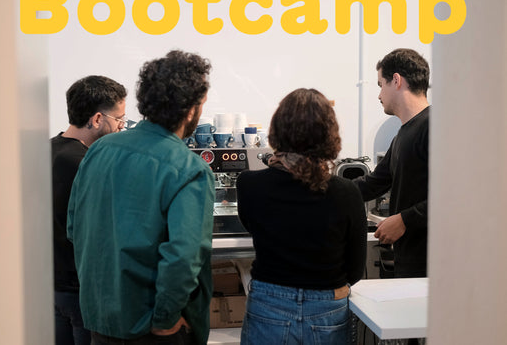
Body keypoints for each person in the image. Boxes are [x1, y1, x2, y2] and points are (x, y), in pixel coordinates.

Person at [67, 50, 214, 345]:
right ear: (191, 110)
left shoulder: (99, 150)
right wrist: (165, 319)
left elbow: (75, 227)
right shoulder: (190, 169)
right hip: (153, 329)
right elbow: (183, 257)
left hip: (101, 321)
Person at [236, 88, 367, 345]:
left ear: (277, 130)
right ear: (329, 135)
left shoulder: (249, 184)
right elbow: (354, 269)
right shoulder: (347, 192)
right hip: (328, 310)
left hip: (268, 304)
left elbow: (253, 226)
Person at [52, 75, 127, 345]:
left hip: (48, 286)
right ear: (96, 119)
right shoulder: (88, 164)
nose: (121, 127)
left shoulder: (43, 150)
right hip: (82, 291)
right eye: (119, 119)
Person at [354, 48, 430, 278]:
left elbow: (454, 195)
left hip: (432, 266)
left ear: (396, 80)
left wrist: (405, 220)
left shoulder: (434, 126)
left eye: (380, 85)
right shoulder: (401, 137)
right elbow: (372, 184)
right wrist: (319, 187)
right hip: (408, 260)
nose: (379, 95)